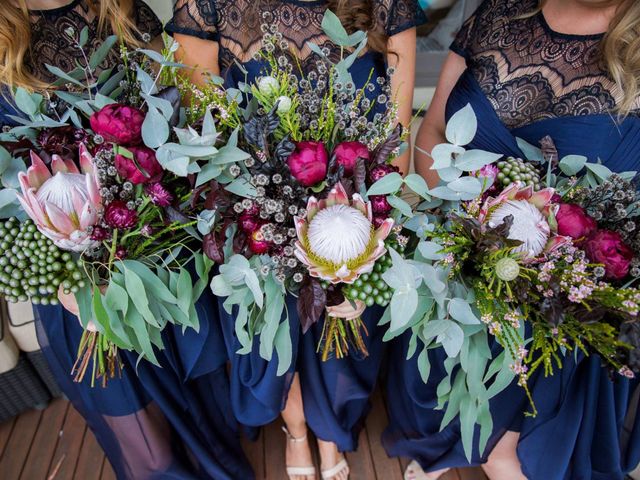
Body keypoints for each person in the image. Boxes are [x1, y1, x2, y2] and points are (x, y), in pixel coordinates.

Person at [166, 1, 425, 478]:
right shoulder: (206, 7)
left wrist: (373, 243)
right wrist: (268, 217)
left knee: (341, 337)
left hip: (354, 211)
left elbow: (396, 135)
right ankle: (298, 430)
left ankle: (331, 433)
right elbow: (207, 136)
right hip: (256, 217)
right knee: (274, 336)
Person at [383, 1, 640, 479]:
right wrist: (465, 232)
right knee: (437, 373)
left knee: (515, 455)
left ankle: (499, 447)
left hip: (563, 294)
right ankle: (454, 443)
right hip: (456, 243)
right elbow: (434, 126)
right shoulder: (501, 10)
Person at [0, 1, 252, 478]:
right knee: (141, 437)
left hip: (151, 242)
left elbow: (174, 113)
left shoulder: (121, 11)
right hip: (68, 270)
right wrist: (64, 279)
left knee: (202, 393)